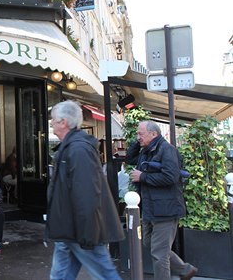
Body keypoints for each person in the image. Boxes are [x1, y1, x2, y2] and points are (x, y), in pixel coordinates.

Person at [45, 100, 124, 280]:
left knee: (105, 274)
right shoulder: (72, 147)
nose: (51, 125)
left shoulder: (78, 149)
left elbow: (87, 193)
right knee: (61, 275)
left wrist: (88, 233)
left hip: (80, 230)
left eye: (53, 121)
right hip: (70, 228)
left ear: (63, 122)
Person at [127, 120, 198, 280]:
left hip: (166, 209)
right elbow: (130, 159)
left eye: (141, 133)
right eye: (137, 133)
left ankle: (180, 271)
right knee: (151, 245)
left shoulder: (167, 150)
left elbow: (171, 177)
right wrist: (137, 141)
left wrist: (143, 177)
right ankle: (185, 269)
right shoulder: (146, 150)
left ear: (154, 134)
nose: (138, 136)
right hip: (150, 208)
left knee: (159, 254)